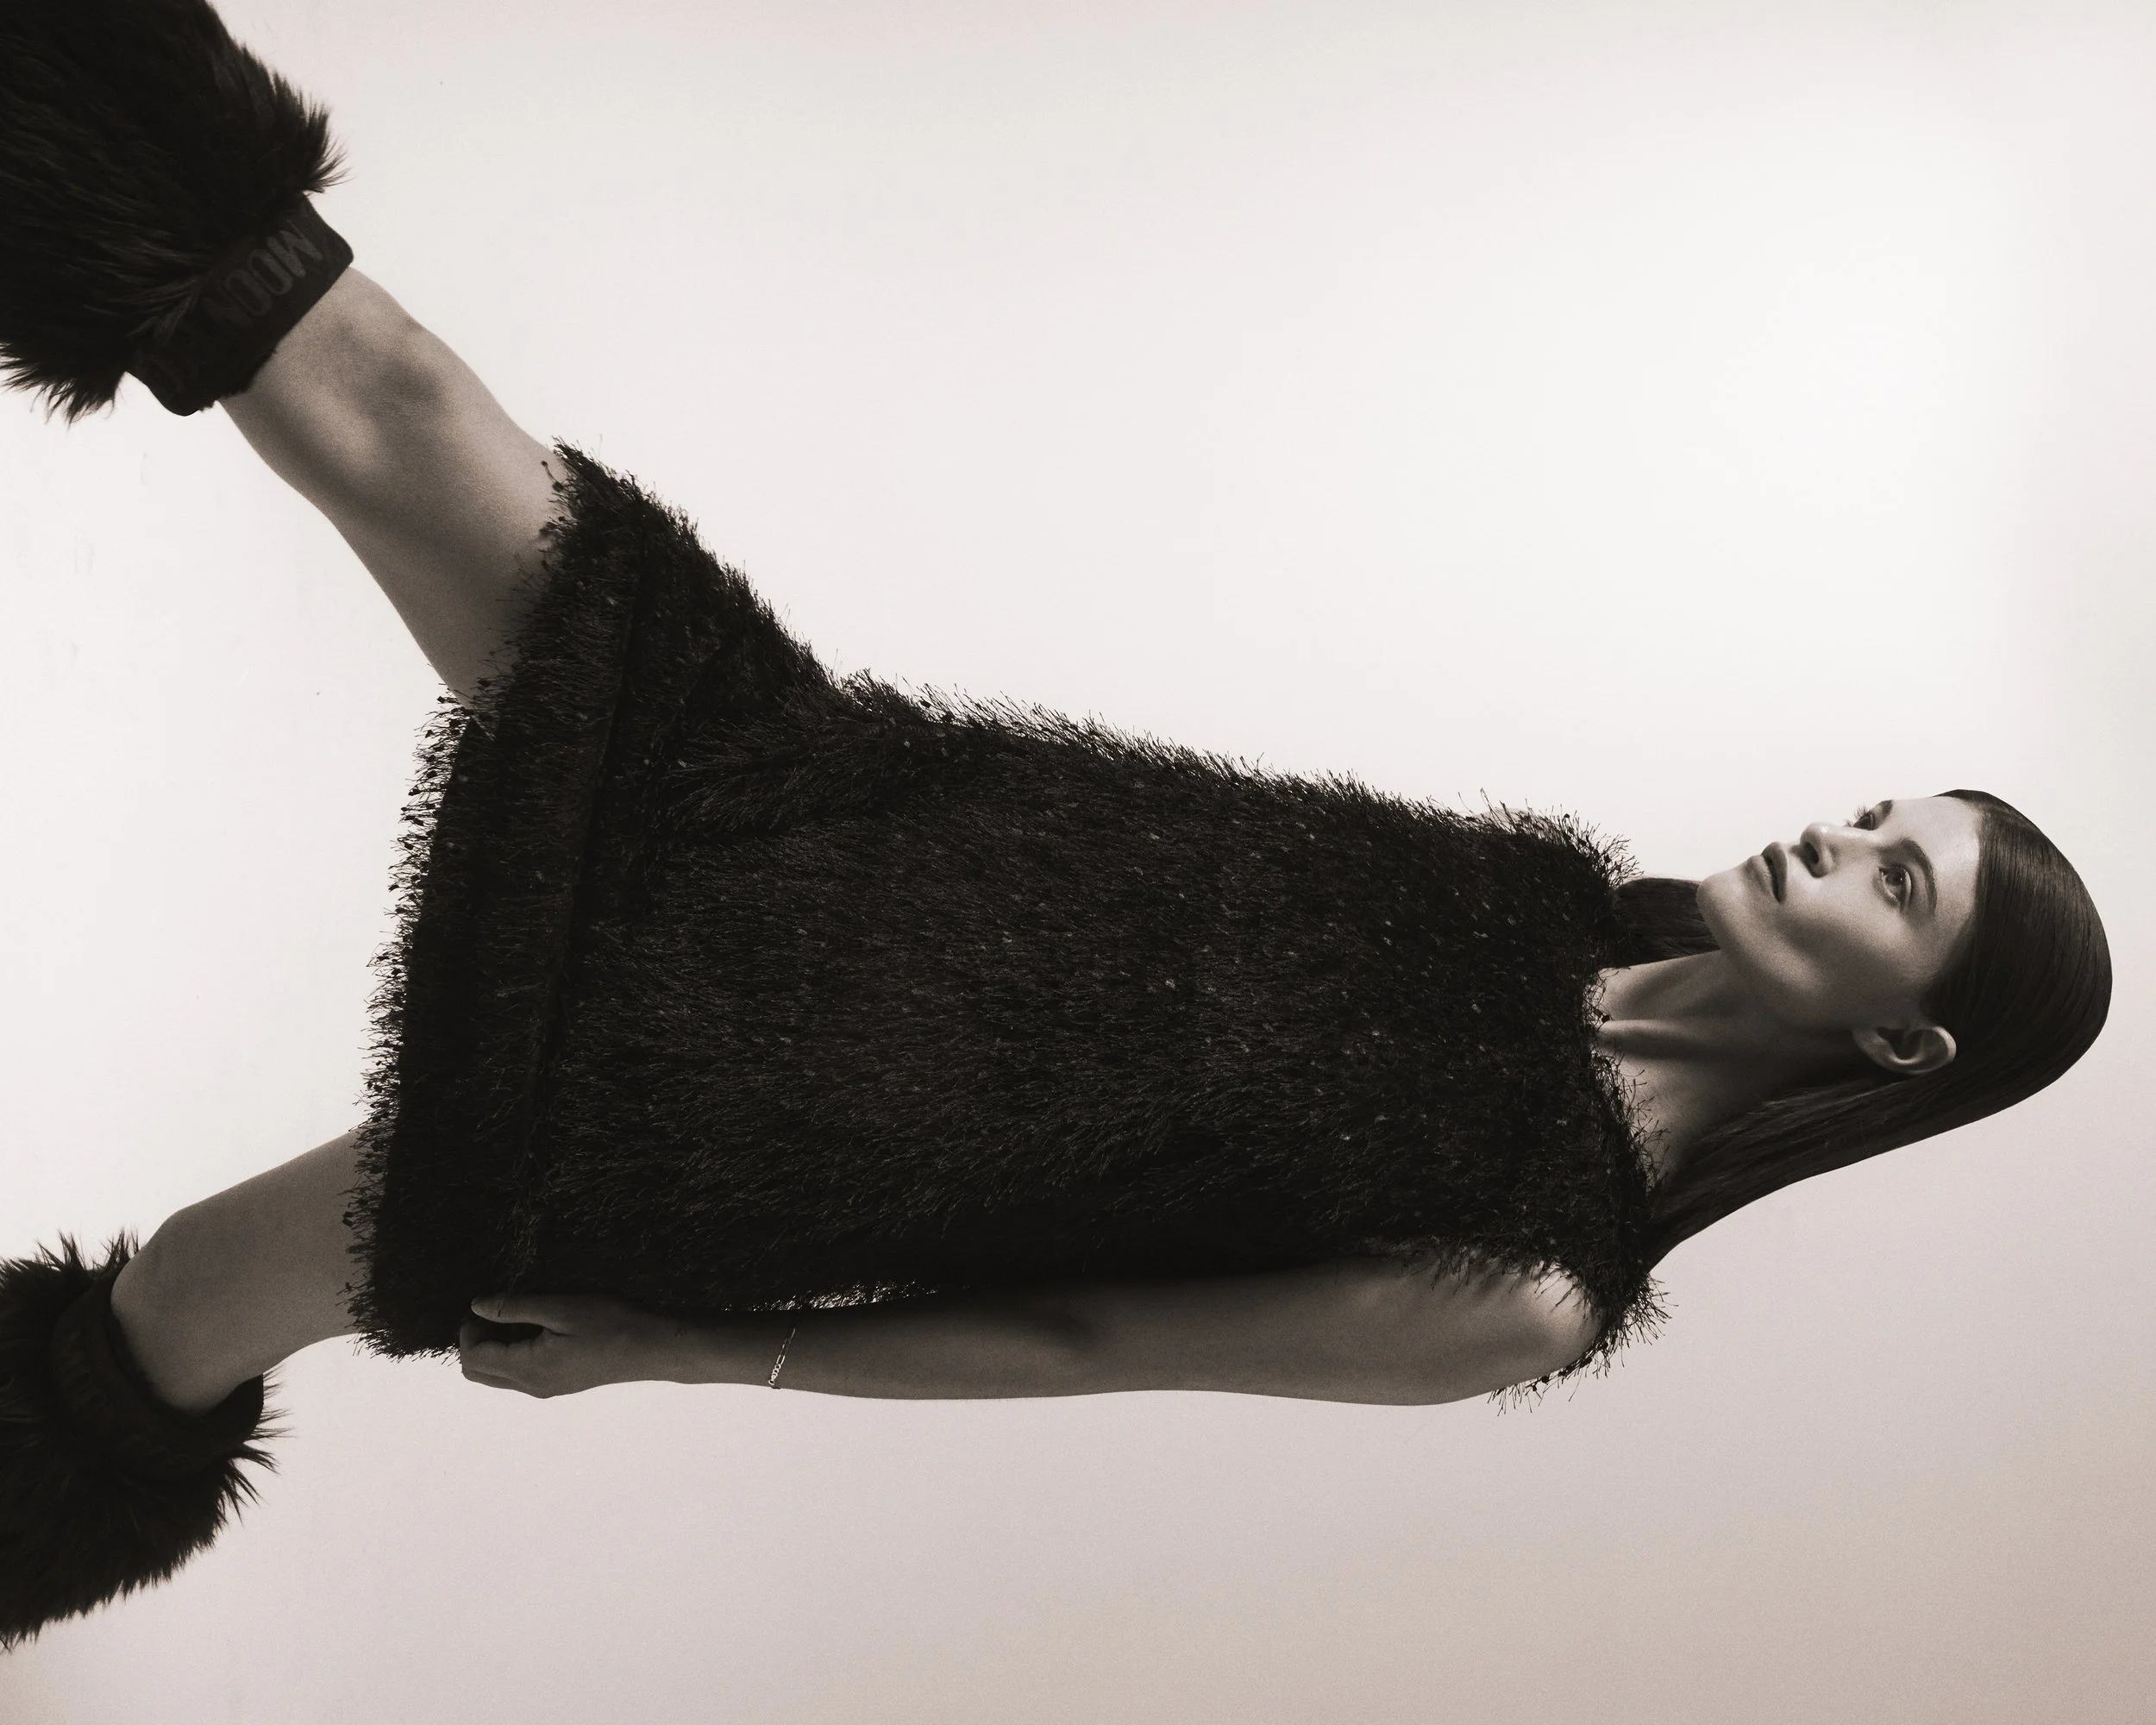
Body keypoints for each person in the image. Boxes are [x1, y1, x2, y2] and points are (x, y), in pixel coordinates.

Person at [0, 0, 2112, 1649]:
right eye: (1863, 817)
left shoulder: (1534, 1276)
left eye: (1887, 878)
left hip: (688, 1113)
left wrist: (688, 1343)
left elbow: (1079, 1337)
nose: (1825, 846)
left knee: (182, 1297)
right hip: (793, 790)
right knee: (379, 376)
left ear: (1901, 1043)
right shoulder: (1553, 899)